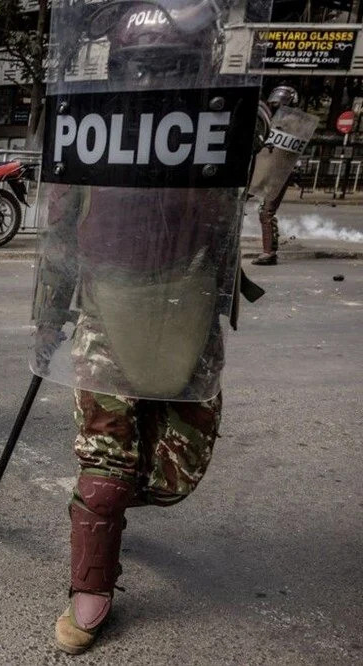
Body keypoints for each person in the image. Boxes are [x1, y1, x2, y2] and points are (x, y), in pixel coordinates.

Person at [29, 0, 265, 653]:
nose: (153, 82)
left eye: (169, 68)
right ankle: (92, 573)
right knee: (105, 466)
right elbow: (59, 229)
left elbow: (234, 207)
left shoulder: (229, 119)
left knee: (175, 472)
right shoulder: (90, 123)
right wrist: (49, 321)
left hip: (187, 304)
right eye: (144, 68)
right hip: (106, 306)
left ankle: (102, 506)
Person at [252, 85, 300, 266]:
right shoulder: (269, 121)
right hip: (263, 166)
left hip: (279, 171)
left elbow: (291, 153)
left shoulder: (294, 125)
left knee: (266, 211)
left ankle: (269, 252)